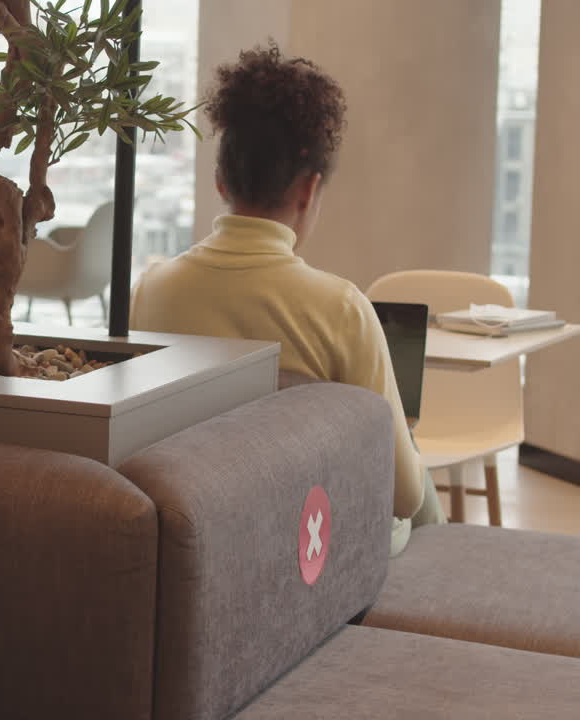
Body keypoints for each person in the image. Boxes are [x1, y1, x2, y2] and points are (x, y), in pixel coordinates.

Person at [129, 44, 443, 555]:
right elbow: (401, 496)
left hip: (202, 538)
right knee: (415, 472)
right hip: (309, 544)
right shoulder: (340, 309)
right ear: (309, 189)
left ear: (220, 181)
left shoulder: (152, 291)